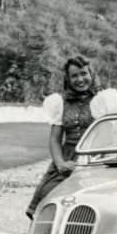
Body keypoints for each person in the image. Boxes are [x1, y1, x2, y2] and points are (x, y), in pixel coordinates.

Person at [26, 55, 100, 219]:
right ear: (67, 79)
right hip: (68, 157)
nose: (80, 79)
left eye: (83, 73)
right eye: (74, 76)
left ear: (91, 74)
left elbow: (111, 134)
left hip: (95, 157)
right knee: (48, 194)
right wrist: (60, 164)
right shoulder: (60, 102)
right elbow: (55, 139)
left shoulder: (102, 100)